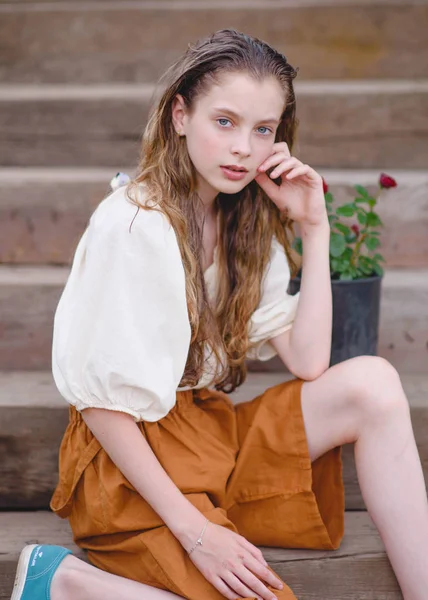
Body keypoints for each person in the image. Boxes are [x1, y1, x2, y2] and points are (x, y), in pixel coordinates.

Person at [10, 29, 428, 600]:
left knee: (374, 383)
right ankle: (66, 582)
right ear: (180, 115)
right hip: (131, 465)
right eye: (224, 122)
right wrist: (197, 532)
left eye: (263, 130)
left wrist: (314, 225)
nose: (243, 148)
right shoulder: (133, 225)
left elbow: (309, 362)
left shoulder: (244, 224)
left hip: (210, 434)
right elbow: (104, 408)